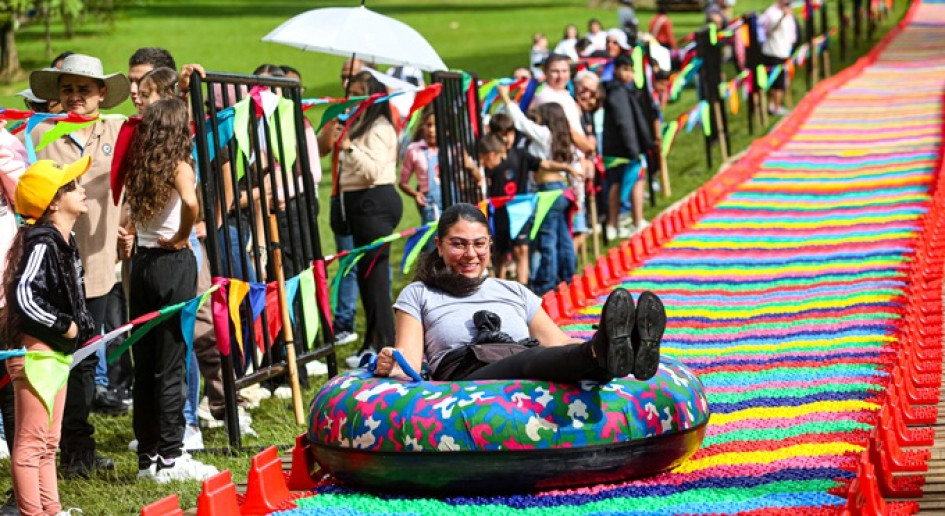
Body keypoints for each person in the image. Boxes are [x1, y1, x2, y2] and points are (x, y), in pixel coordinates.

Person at [374, 203, 665, 384]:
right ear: (439, 246)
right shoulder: (419, 294)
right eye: (458, 244)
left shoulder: (513, 290)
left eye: (479, 244)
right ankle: (602, 348)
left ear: (489, 244)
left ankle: (623, 351)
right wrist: (391, 361)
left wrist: (584, 348)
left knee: (580, 367)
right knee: (527, 361)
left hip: (526, 361)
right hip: (468, 379)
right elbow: (409, 362)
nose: (470, 254)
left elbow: (558, 343)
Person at [27, 53, 129, 479]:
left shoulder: (119, 129)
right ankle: (43, 448)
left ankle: (77, 448)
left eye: (84, 90)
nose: (74, 97)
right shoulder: (41, 133)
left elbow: (140, 175)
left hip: (101, 262)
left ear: (102, 93)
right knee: (52, 358)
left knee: (87, 359)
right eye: (67, 89)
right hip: (54, 264)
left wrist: (131, 225)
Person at [119, 98, 218, 483]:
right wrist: (181, 237)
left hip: (142, 264)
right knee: (171, 363)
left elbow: (127, 214)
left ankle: (147, 458)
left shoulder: (139, 166)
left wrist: (134, 236)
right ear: (181, 130)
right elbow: (191, 204)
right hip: (171, 263)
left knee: (144, 365)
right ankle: (172, 456)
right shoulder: (180, 166)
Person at [2, 157, 95, 516]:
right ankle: (33, 512)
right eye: (72, 186)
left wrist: (82, 330)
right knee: (30, 444)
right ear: (52, 202)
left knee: (49, 442)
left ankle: (51, 509)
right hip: (35, 352)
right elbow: (25, 295)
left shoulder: (63, 241)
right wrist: (64, 326)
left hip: (55, 353)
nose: (81, 188)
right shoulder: (42, 242)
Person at [327, 71, 403, 367]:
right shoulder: (359, 123)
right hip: (359, 204)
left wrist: (348, 147)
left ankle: (385, 345)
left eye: (358, 92)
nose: (351, 96)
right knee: (367, 277)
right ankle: (373, 342)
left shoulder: (380, 127)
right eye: (349, 90)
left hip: (375, 202)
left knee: (376, 278)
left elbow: (372, 171)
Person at [496, 86, 581, 296]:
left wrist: (507, 98)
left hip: (548, 191)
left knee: (547, 239)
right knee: (563, 237)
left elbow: (521, 123)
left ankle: (546, 284)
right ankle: (567, 276)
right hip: (562, 189)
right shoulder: (564, 138)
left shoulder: (544, 135)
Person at [317, 60, 365, 351]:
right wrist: (334, 123)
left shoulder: (378, 110)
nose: (346, 82)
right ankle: (344, 321)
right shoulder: (338, 109)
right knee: (346, 259)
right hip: (339, 194)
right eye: (343, 76)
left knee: (371, 261)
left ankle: (371, 322)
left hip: (367, 195)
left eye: (353, 77)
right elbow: (322, 149)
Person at [602, 53, 654, 240]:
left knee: (615, 184)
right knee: (635, 180)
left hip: (614, 147)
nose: (629, 74)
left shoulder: (618, 90)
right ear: (615, 70)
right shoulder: (619, 93)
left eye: (631, 70)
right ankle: (635, 221)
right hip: (624, 148)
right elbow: (625, 122)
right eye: (625, 70)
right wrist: (634, 149)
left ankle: (613, 226)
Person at [398, 106, 441, 232]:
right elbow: (402, 182)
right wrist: (415, 194)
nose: (431, 130)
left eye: (435, 125)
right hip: (430, 206)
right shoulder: (414, 150)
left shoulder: (451, 148)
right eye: (428, 125)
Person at [759, 0, 797, 115]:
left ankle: (777, 105)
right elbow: (769, 28)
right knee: (775, 82)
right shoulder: (771, 13)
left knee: (781, 80)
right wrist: (782, 17)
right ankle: (774, 106)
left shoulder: (788, 12)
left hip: (784, 51)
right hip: (773, 52)